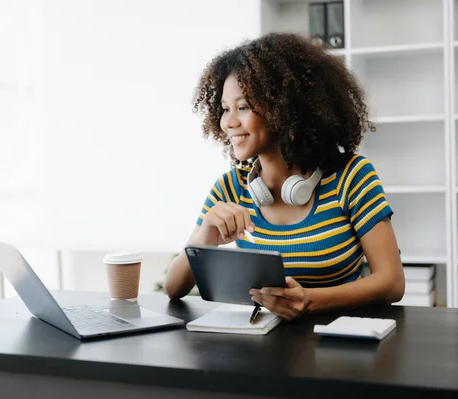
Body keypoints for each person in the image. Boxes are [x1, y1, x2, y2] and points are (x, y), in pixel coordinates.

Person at [164, 32, 405, 320]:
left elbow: (392, 282)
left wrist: (310, 301)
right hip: (265, 350)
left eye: (243, 108)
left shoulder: (351, 177)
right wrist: (204, 237)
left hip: (341, 346)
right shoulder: (231, 187)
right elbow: (173, 287)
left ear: (284, 109)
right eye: (225, 109)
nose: (228, 122)